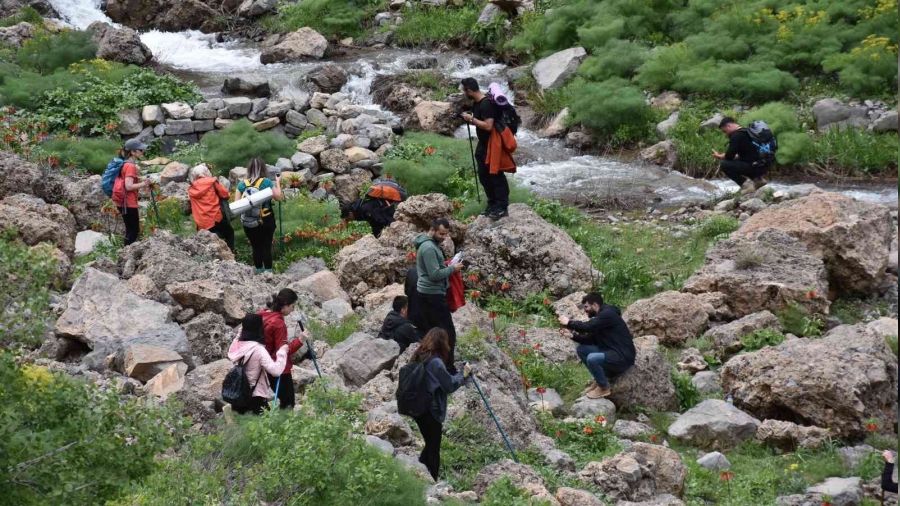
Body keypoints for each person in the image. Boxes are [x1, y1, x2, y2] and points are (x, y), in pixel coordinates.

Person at [409, 328, 470, 480]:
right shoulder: (435, 362)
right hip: (431, 410)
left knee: (430, 444)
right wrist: (463, 375)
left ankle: (418, 473)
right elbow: (449, 385)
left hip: (417, 408)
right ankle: (432, 480)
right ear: (442, 342)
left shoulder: (419, 356)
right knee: (433, 448)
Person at [558, 292, 635, 399]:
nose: (585, 310)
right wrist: (572, 335)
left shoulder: (607, 314)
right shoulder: (601, 318)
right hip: (610, 351)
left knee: (592, 358)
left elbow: (588, 326)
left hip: (622, 356)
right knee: (582, 350)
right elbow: (591, 339)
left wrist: (569, 322)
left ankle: (604, 388)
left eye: (586, 307)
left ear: (595, 305)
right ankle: (599, 380)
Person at [414, 218, 463, 373]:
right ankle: (448, 368)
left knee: (433, 332)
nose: (443, 237)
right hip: (432, 295)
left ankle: (432, 364)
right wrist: (452, 269)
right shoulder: (428, 248)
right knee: (448, 333)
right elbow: (434, 274)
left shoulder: (431, 245)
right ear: (433, 229)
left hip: (428, 294)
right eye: (441, 233)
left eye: (446, 234)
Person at [461, 77, 510, 220]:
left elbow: (488, 126)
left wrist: (471, 120)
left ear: (469, 90)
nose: (463, 93)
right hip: (484, 144)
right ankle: (492, 204)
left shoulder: (486, 104)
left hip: (493, 144)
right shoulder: (477, 103)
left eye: (464, 90)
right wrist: (470, 117)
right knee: (484, 175)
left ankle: (502, 206)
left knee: (495, 175)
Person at [226, 313, 288, 415]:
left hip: (237, 395)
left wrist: (241, 331)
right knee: (259, 427)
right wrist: (282, 352)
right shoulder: (258, 349)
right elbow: (276, 371)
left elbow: (237, 339)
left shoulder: (236, 344)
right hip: (254, 396)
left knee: (241, 427)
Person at [234, 158, 283, 273]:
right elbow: (279, 197)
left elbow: (237, 205)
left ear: (249, 169)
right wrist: (278, 182)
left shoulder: (241, 185)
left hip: (249, 222)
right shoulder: (266, 182)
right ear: (263, 169)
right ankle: (268, 273)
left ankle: (259, 272)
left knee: (256, 247)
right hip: (266, 220)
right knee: (266, 246)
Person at [260, 288, 306, 410]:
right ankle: (283, 427)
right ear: (285, 305)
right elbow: (282, 352)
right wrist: (300, 340)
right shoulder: (278, 324)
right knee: (288, 402)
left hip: (261, 364)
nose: (293, 310)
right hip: (278, 368)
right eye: (292, 306)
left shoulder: (263, 314)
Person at [712, 117, 770, 194]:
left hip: (754, 166)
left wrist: (720, 156)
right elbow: (748, 153)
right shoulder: (748, 131)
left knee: (724, 164)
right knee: (744, 161)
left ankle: (746, 185)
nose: (726, 134)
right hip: (764, 165)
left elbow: (729, 156)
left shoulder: (736, 135)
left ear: (728, 126)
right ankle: (758, 180)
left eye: (725, 131)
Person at [111, 138, 150, 245]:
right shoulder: (130, 166)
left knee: (129, 230)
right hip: (128, 203)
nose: (143, 152)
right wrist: (144, 184)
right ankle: (126, 253)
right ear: (133, 152)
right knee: (134, 231)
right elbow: (128, 186)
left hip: (122, 202)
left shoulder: (125, 163)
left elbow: (126, 180)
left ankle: (125, 253)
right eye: (140, 150)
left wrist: (139, 179)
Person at [187, 164, 234, 252]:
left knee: (209, 244)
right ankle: (231, 255)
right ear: (205, 172)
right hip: (216, 218)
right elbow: (225, 194)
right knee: (230, 233)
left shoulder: (191, 189)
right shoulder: (212, 182)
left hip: (202, 223)